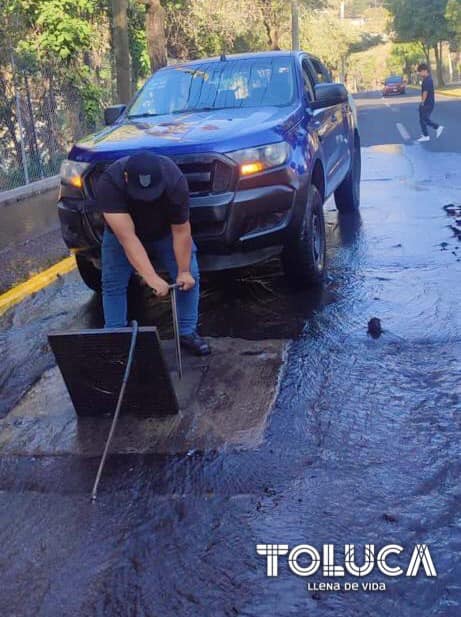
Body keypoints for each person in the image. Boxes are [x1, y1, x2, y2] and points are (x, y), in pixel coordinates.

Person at [95, 150, 210, 356]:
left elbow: (181, 231)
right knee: (112, 282)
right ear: (126, 178)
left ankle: (186, 332)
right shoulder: (109, 183)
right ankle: (116, 337)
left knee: (190, 275)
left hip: (164, 231)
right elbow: (128, 239)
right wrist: (151, 277)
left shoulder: (174, 180)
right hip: (122, 234)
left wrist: (183, 271)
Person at [416, 63, 444, 143]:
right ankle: (426, 135)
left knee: (424, 119)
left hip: (427, 103)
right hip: (429, 103)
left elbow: (425, 92)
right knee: (422, 119)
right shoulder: (427, 79)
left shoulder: (427, 80)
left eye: (420, 72)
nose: (419, 74)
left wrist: (422, 102)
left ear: (425, 71)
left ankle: (437, 127)